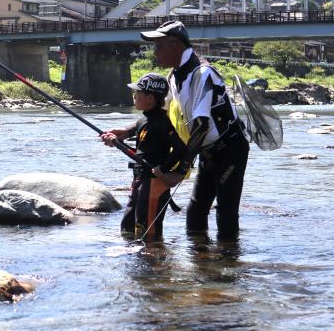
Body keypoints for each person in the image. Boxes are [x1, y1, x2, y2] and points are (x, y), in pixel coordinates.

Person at [140, 20, 249, 240]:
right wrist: (125, 132)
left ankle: (227, 268)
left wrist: (180, 171)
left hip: (230, 150)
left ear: (175, 45)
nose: (155, 52)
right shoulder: (173, 76)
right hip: (207, 151)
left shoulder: (203, 74)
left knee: (226, 214)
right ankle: (202, 264)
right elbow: (159, 115)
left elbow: (201, 125)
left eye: (159, 46)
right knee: (195, 214)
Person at [101, 73, 187, 240]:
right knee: (127, 228)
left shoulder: (161, 122)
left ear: (150, 98)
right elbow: (137, 140)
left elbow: (180, 148)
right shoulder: (144, 120)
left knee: (147, 235)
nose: (134, 96)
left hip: (153, 183)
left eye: (138, 93)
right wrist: (116, 138)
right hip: (139, 181)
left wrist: (163, 169)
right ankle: (136, 264)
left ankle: (155, 264)